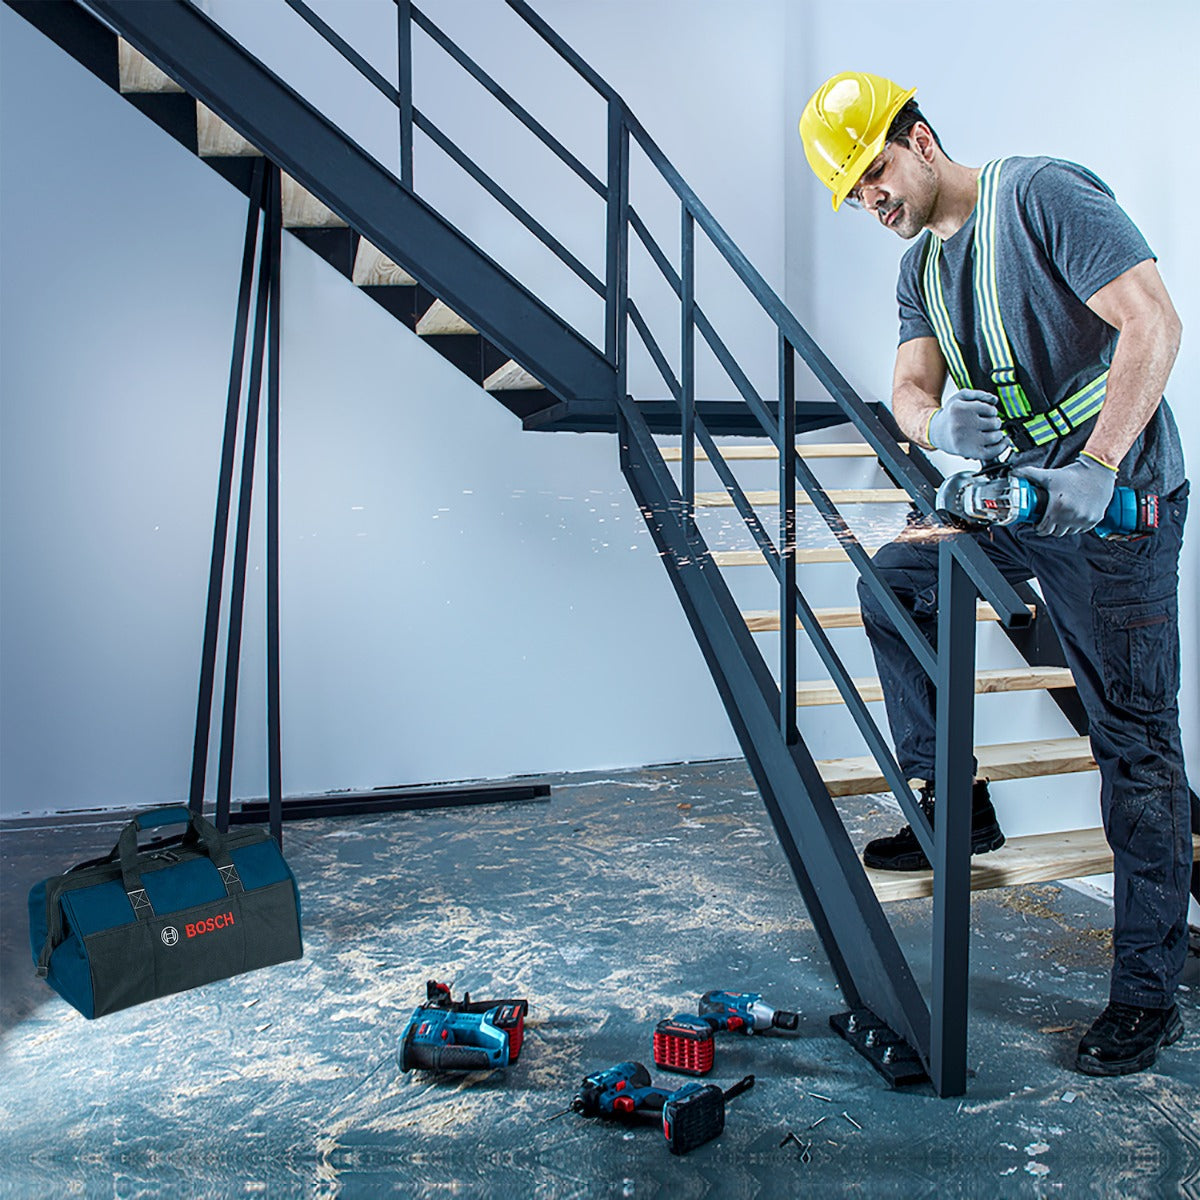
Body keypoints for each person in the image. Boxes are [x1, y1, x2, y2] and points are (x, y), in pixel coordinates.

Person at [798, 72, 1190, 1077]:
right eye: (852, 194)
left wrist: (1097, 472)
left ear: (920, 139)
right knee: (897, 584)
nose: (869, 201)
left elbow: (1153, 323)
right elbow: (909, 389)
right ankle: (955, 805)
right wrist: (935, 426)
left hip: (1114, 510)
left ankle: (1148, 993)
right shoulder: (918, 270)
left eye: (874, 172)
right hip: (1018, 499)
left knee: (1134, 747)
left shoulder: (1044, 198)